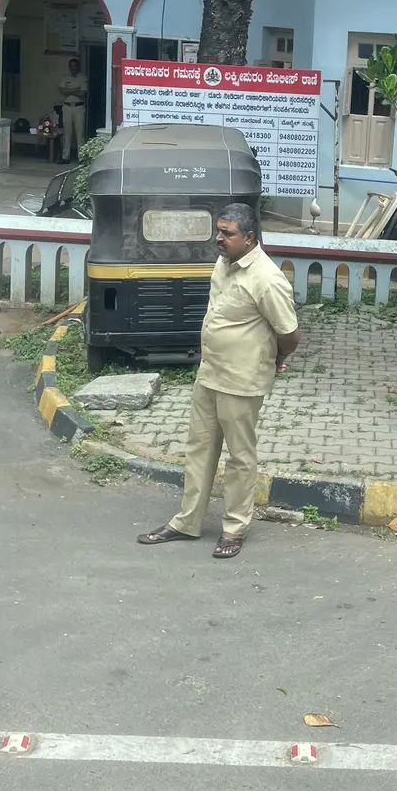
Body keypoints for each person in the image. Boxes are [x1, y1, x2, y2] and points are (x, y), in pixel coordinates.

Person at [138, 203, 300, 558]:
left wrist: (279, 359)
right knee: (199, 449)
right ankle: (186, 522)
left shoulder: (267, 278)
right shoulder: (224, 264)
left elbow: (289, 332)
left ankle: (234, 529)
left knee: (240, 457)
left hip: (242, 381)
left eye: (227, 233)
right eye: (219, 231)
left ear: (250, 237)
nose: (219, 238)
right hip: (210, 373)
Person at [59, 57, 88, 162]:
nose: (73, 68)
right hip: (67, 107)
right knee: (67, 133)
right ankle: (65, 157)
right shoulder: (65, 77)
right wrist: (75, 89)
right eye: (71, 67)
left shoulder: (82, 77)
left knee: (80, 133)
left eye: (75, 66)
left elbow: (82, 93)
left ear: (78, 67)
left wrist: (69, 90)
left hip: (79, 107)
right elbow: (62, 90)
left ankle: (81, 158)